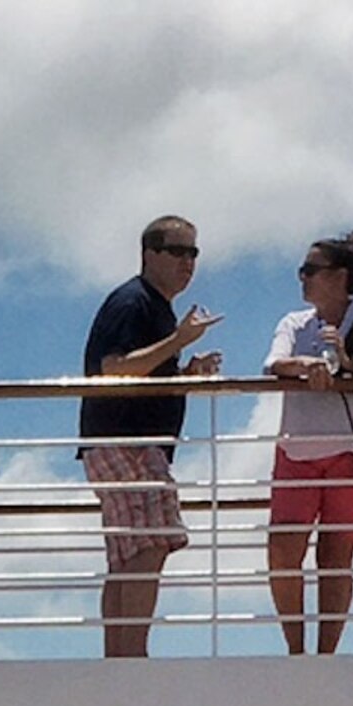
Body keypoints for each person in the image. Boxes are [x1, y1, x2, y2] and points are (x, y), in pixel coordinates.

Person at [78, 216, 224, 660]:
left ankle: (121, 656)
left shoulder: (152, 306)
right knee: (150, 542)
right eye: (178, 251)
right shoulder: (133, 302)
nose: (188, 263)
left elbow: (142, 373)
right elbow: (115, 368)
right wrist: (178, 340)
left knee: (129, 553)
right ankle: (131, 656)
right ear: (150, 254)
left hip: (127, 441)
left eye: (193, 253)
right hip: (127, 441)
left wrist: (184, 372)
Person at [263, 232, 353, 658]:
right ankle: (296, 649)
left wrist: (349, 363)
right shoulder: (295, 323)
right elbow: (272, 363)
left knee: (336, 555)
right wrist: (306, 365)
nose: (302, 278)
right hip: (299, 450)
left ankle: (326, 654)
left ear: (340, 276)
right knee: (283, 553)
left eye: (310, 270)